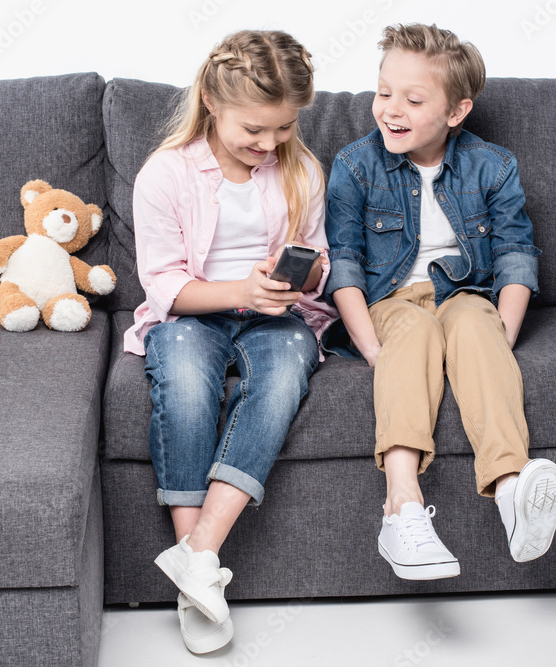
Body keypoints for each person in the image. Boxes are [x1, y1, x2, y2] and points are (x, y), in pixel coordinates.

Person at [325, 23, 556, 581]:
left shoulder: (493, 164)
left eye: (413, 99)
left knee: (471, 322)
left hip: (464, 293)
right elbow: (343, 263)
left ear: (457, 112)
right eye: (384, 92)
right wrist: (370, 347)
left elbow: (514, 254)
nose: (391, 109)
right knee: (412, 332)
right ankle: (401, 507)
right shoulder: (354, 165)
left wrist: (496, 335)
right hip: (390, 300)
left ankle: (512, 492)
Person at [124, 29, 335, 653]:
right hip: (197, 312)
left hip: (276, 315)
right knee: (186, 380)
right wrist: (241, 290)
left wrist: (301, 273)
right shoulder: (166, 173)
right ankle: (200, 578)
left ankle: (196, 562)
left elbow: (320, 258)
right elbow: (164, 284)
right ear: (213, 101)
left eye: (283, 128)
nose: (269, 145)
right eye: (254, 130)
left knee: (285, 373)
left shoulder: (301, 171)